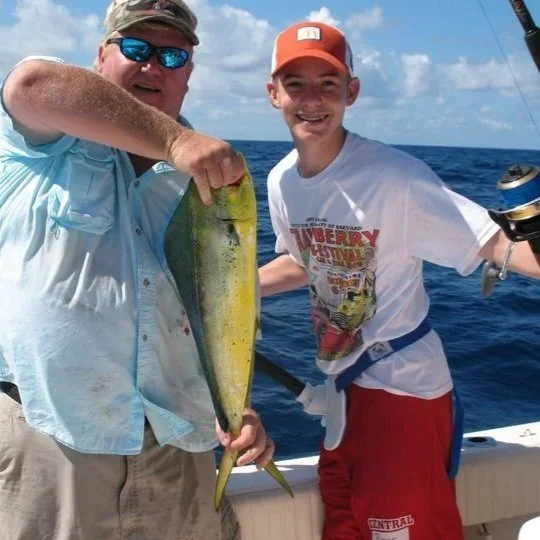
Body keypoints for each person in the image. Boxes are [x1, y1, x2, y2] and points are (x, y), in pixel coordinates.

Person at [0, 1, 274, 538]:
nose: (153, 66)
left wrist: (232, 408)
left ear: (189, 76)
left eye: (172, 55)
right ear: (101, 57)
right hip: (53, 442)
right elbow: (29, 83)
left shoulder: (209, 186)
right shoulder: (36, 148)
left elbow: (217, 315)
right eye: (135, 49)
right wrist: (176, 140)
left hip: (180, 447)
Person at [259, 20, 540, 540]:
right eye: (295, 83)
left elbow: (494, 244)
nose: (311, 99)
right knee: (345, 527)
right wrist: (230, 292)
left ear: (352, 92)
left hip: (402, 390)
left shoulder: (395, 176)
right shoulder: (280, 183)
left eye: (328, 83)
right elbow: (304, 263)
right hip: (341, 391)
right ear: (273, 93)